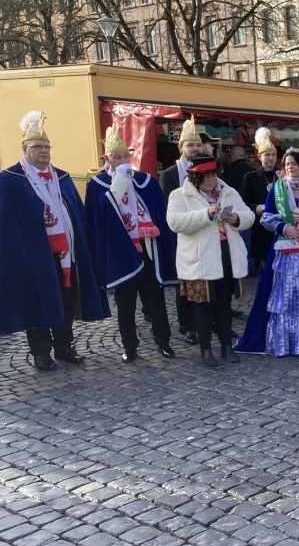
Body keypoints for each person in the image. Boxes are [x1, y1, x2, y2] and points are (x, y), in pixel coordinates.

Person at [0, 111, 108, 369]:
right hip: (31, 255)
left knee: (65, 300)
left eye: (47, 147)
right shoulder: (9, 179)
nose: (43, 151)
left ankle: (64, 346)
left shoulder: (62, 177)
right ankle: (41, 353)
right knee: (37, 301)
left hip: (65, 253)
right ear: (24, 149)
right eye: (37, 146)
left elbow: (76, 212)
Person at [85, 123, 177, 362]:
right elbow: (99, 217)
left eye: (126, 156)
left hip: (148, 247)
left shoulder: (146, 181)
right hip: (121, 250)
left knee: (156, 298)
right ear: (107, 159)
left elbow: (159, 212)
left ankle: (163, 341)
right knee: (125, 303)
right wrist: (118, 184)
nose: (123, 160)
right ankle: (129, 346)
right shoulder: (97, 184)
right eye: (117, 157)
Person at [235, 148, 299, 356]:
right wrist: (284, 228)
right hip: (285, 249)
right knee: (286, 295)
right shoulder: (277, 188)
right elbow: (266, 217)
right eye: (287, 164)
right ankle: (287, 342)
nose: (290, 167)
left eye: (294, 163)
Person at [166, 156, 254, 366]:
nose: (211, 180)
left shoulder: (229, 192)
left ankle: (226, 346)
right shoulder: (179, 195)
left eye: (213, 175)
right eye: (206, 177)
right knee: (203, 306)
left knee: (224, 304)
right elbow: (175, 222)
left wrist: (236, 219)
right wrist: (205, 214)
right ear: (195, 178)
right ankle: (206, 349)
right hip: (200, 260)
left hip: (227, 256)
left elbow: (249, 216)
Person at [160, 117, 212, 344]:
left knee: (210, 279)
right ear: (180, 147)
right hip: (182, 236)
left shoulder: (208, 171)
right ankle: (188, 326)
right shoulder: (170, 174)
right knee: (185, 283)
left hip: (208, 234)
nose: (196, 148)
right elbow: (169, 210)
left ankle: (209, 322)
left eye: (198, 144)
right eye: (191, 145)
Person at [240, 128, 278, 277]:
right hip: (260, 229)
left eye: (273, 154)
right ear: (259, 156)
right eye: (267, 155)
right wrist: (255, 207)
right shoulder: (250, 177)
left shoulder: (282, 176)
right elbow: (243, 204)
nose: (271, 158)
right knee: (265, 269)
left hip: (280, 227)